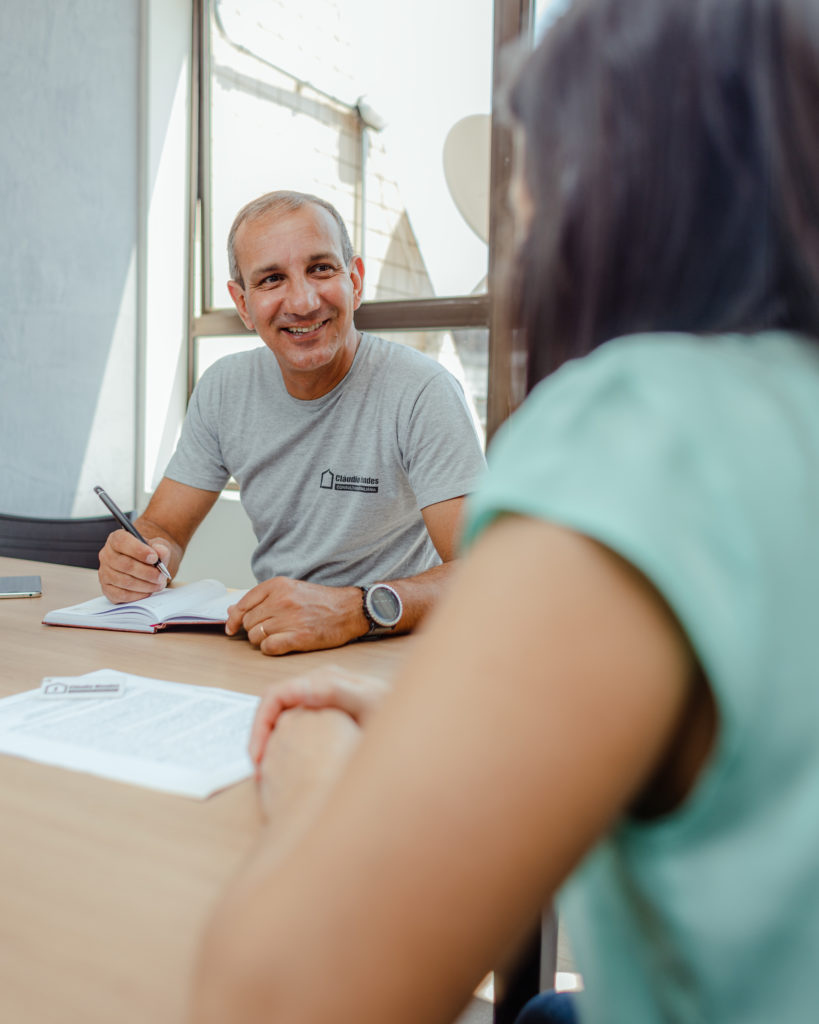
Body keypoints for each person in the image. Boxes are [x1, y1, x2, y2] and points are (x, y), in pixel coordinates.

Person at [190, 0, 819, 1022]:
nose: (514, 213)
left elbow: (285, 1000)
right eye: (268, 280)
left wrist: (314, 752)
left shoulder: (638, 426)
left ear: (596, 191)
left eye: (524, 165)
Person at [98, 191, 486, 655]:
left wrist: (357, 610)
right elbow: (164, 527)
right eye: (272, 279)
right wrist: (141, 559)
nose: (301, 301)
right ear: (243, 304)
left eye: (321, 268)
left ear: (356, 281)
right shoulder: (224, 388)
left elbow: (483, 570)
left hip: (389, 652)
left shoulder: (422, 391)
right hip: (272, 647)